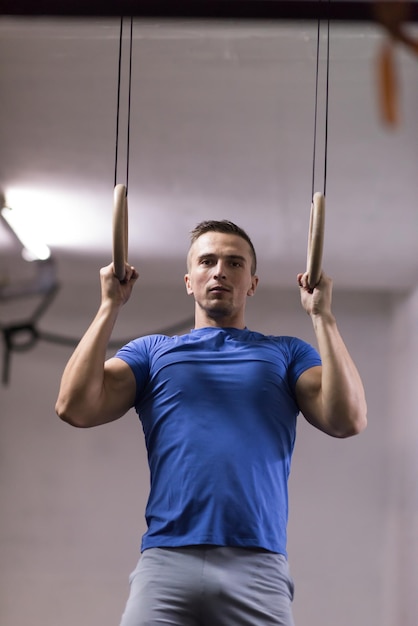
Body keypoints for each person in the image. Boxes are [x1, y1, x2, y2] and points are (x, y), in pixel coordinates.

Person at [55, 219, 367, 626]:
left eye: (235, 263)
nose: (220, 270)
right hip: (166, 561)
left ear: (251, 283)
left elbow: (349, 419)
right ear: (190, 280)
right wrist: (108, 305)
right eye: (208, 261)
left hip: (257, 565)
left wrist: (323, 316)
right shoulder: (151, 353)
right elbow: (73, 406)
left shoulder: (287, 354)